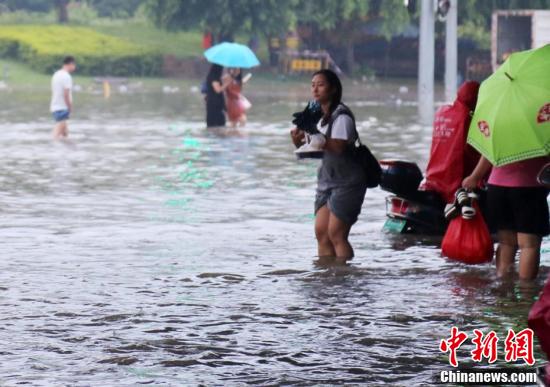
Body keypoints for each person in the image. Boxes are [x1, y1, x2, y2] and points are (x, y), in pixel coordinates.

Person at [290, 69, 367, 264]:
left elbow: (339, 147)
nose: (315, 89)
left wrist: (319, 139)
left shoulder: (342, 116)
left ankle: (343, 274)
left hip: (348, 182)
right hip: (327, 180)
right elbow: (313, 148)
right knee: (321, 233)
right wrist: (298, 141)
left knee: (336, 234)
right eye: (313, 84)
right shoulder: (317, 114)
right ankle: (326, 275)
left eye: (321, 85)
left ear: (333, 89)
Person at [463, 156, 550, 280]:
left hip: (496, 187)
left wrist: (474, 177)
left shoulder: (499, 134)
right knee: (529, 245)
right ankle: (526, 291)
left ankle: (503, 285)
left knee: (506, 243)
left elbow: (488, 153)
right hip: (529, 187)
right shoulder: (540, 135)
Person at [420, 81, 481, 204]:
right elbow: (474, 152)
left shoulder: (442, 112)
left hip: (432, 180)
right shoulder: (468, 118)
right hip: (454, 184)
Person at [50, 56, 76, 139]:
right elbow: (66, 94)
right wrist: (70, 107)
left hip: (55, 106)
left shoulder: (56, 74)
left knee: (65, 134)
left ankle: (64, 150)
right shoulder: (67, 76)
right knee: (56, 135)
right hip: (63, 108)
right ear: (70, 64)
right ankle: (52, 149)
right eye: (74, 65)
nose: (74, 67)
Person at [205, 64, 230, 128]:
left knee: (219, 123)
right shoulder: (213, 77)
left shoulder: (215, 77)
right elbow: (218, 90)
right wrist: (227, 83)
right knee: (216, 123)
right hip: (214, 104)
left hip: (216, 103)